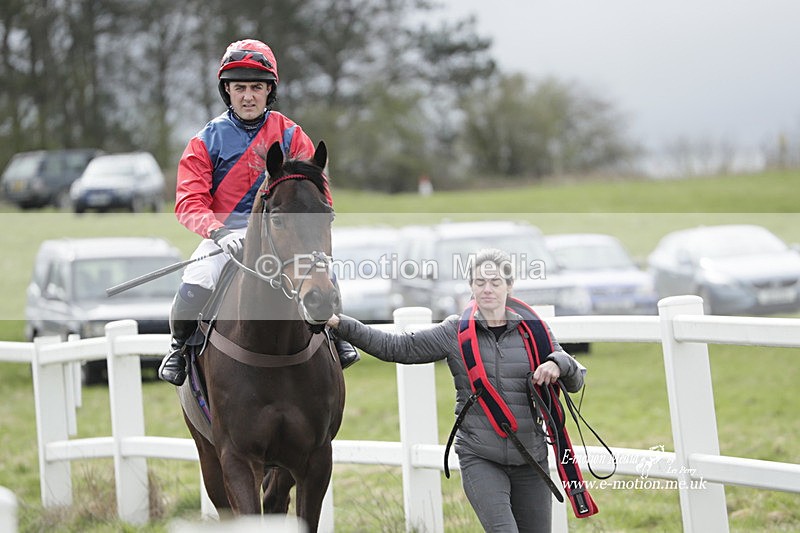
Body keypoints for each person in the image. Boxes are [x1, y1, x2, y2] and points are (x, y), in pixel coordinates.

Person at [327, 248, 586, 532]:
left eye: (495, 282)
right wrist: (341, 324)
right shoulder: (454, 331)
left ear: (510, 286)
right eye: (479, 282)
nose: (487, 289)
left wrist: (558, 364)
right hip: (481, 457)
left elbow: (576, 381)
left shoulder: (534, 331)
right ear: (471, 286)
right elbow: (396, 347)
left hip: (531, 458)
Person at [158, 38, 359, 386]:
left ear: (270, 91)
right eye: (240, 88)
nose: (248, 96)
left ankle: (337, 340)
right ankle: (179, 348)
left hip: (284, 235)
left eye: (256, 87)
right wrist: (217, 232)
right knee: (196, 280)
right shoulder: (204, 141)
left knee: (325, 277)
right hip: (226, 236)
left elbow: (316, 197)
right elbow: (188, 202)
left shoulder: (293, 134)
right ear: (228, 91)